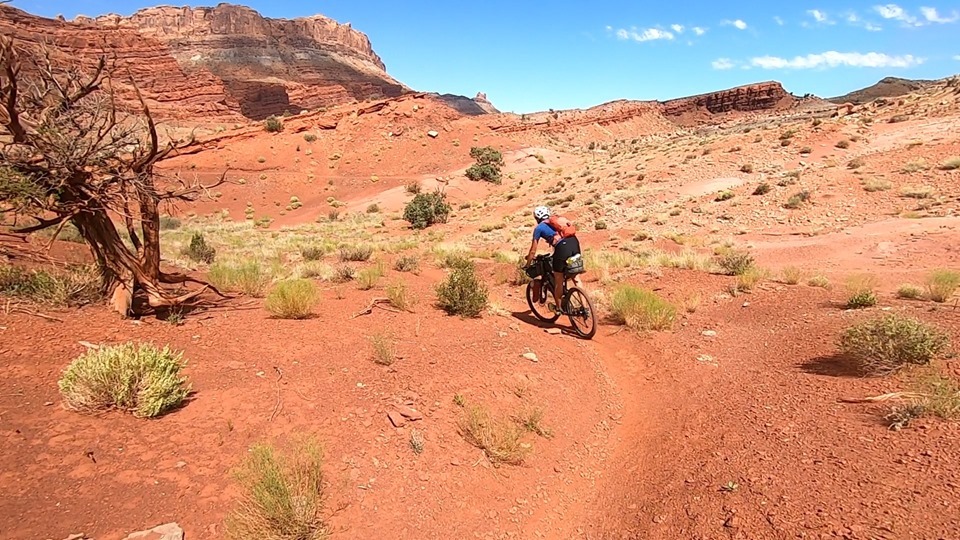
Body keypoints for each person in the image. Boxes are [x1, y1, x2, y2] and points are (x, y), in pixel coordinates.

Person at [524, 205, 582, 313]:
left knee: (558, 280)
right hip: (574, 243)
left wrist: (528, 264)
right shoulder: (557, 222)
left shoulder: (539, 228)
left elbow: (533, 251)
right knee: (576, 278)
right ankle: (585, 306)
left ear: (537, 218)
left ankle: (559, 308)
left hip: (562, 248)